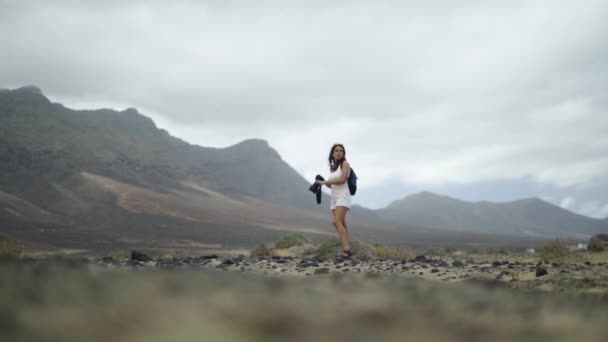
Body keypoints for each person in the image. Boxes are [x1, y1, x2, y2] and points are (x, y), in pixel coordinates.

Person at [315, 143, 353, 258]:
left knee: (336, 222)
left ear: (343, 153)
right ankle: (348, 250)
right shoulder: (333, 168)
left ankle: (346, 249)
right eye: (336, 150)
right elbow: (333, 186)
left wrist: (325, 182)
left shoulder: (345, 164)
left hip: (343, 196)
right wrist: (322, 182)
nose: (339, 152)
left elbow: (342, 180)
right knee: (342, 223)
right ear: (332, 153)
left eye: (341, 151)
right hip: (335, 197)